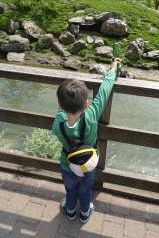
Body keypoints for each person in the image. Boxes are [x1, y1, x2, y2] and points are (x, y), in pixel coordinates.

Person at [52, 58, 119, 223]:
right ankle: (84, 213)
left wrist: (63, 107)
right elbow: (104, 90)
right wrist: (113, 68)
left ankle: (70, 211)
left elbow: (62, 114)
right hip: (89, 163)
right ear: (87, 104)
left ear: (60, 106)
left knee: (70, 189)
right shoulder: (91, 115)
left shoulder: (57, 124)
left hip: (67, 165)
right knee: (86, 190)